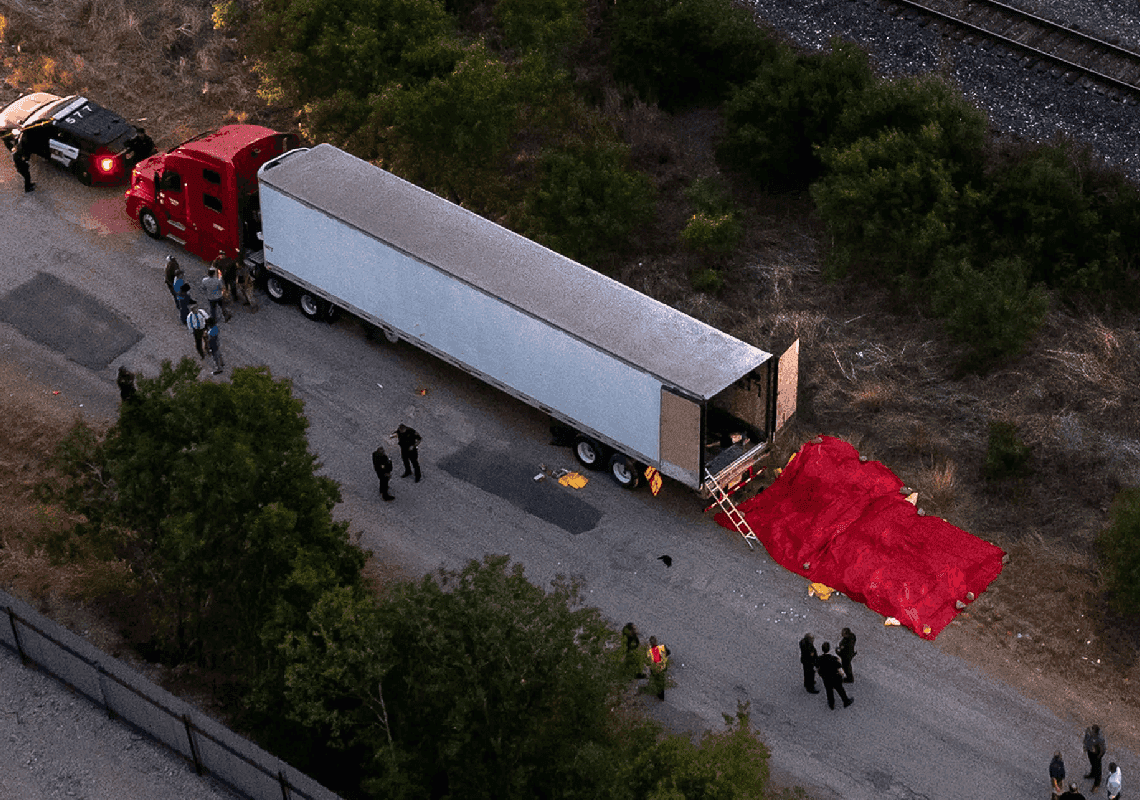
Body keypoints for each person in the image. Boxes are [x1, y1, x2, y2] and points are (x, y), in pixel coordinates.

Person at [816, 642, 852, 710]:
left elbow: (817, 667)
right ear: (829, 649)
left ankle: (831, 704)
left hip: (826, 678)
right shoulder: (834, 658)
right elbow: (839, 668)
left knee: (829, 691)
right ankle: (845, 701)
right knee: (840, 689)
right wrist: (843, 675)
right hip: (835, 678)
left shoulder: (819, 659)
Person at [646, 635, 670, 701]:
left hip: (655, 669)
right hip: (662, 667)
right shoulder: (662, 647)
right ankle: (661, 696)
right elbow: (668, 652)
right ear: (656, 642)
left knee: (656, 680)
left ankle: (657, 693)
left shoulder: (650, 651)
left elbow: (648, 661)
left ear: (650, 643)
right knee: (661, 682)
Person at [1083, 724, 1105, 791]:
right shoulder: (1089, 733)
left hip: (1096, 755)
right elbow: (1086, 740)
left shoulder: (1100, 738)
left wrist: (1099, 756)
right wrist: (1085, 747)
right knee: (1092, 764)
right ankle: (1092, 774)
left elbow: (1103, 749)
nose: (1091, 733)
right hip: (1090, 752)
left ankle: (1097, 783)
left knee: (1098, 768)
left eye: (1093, 732)